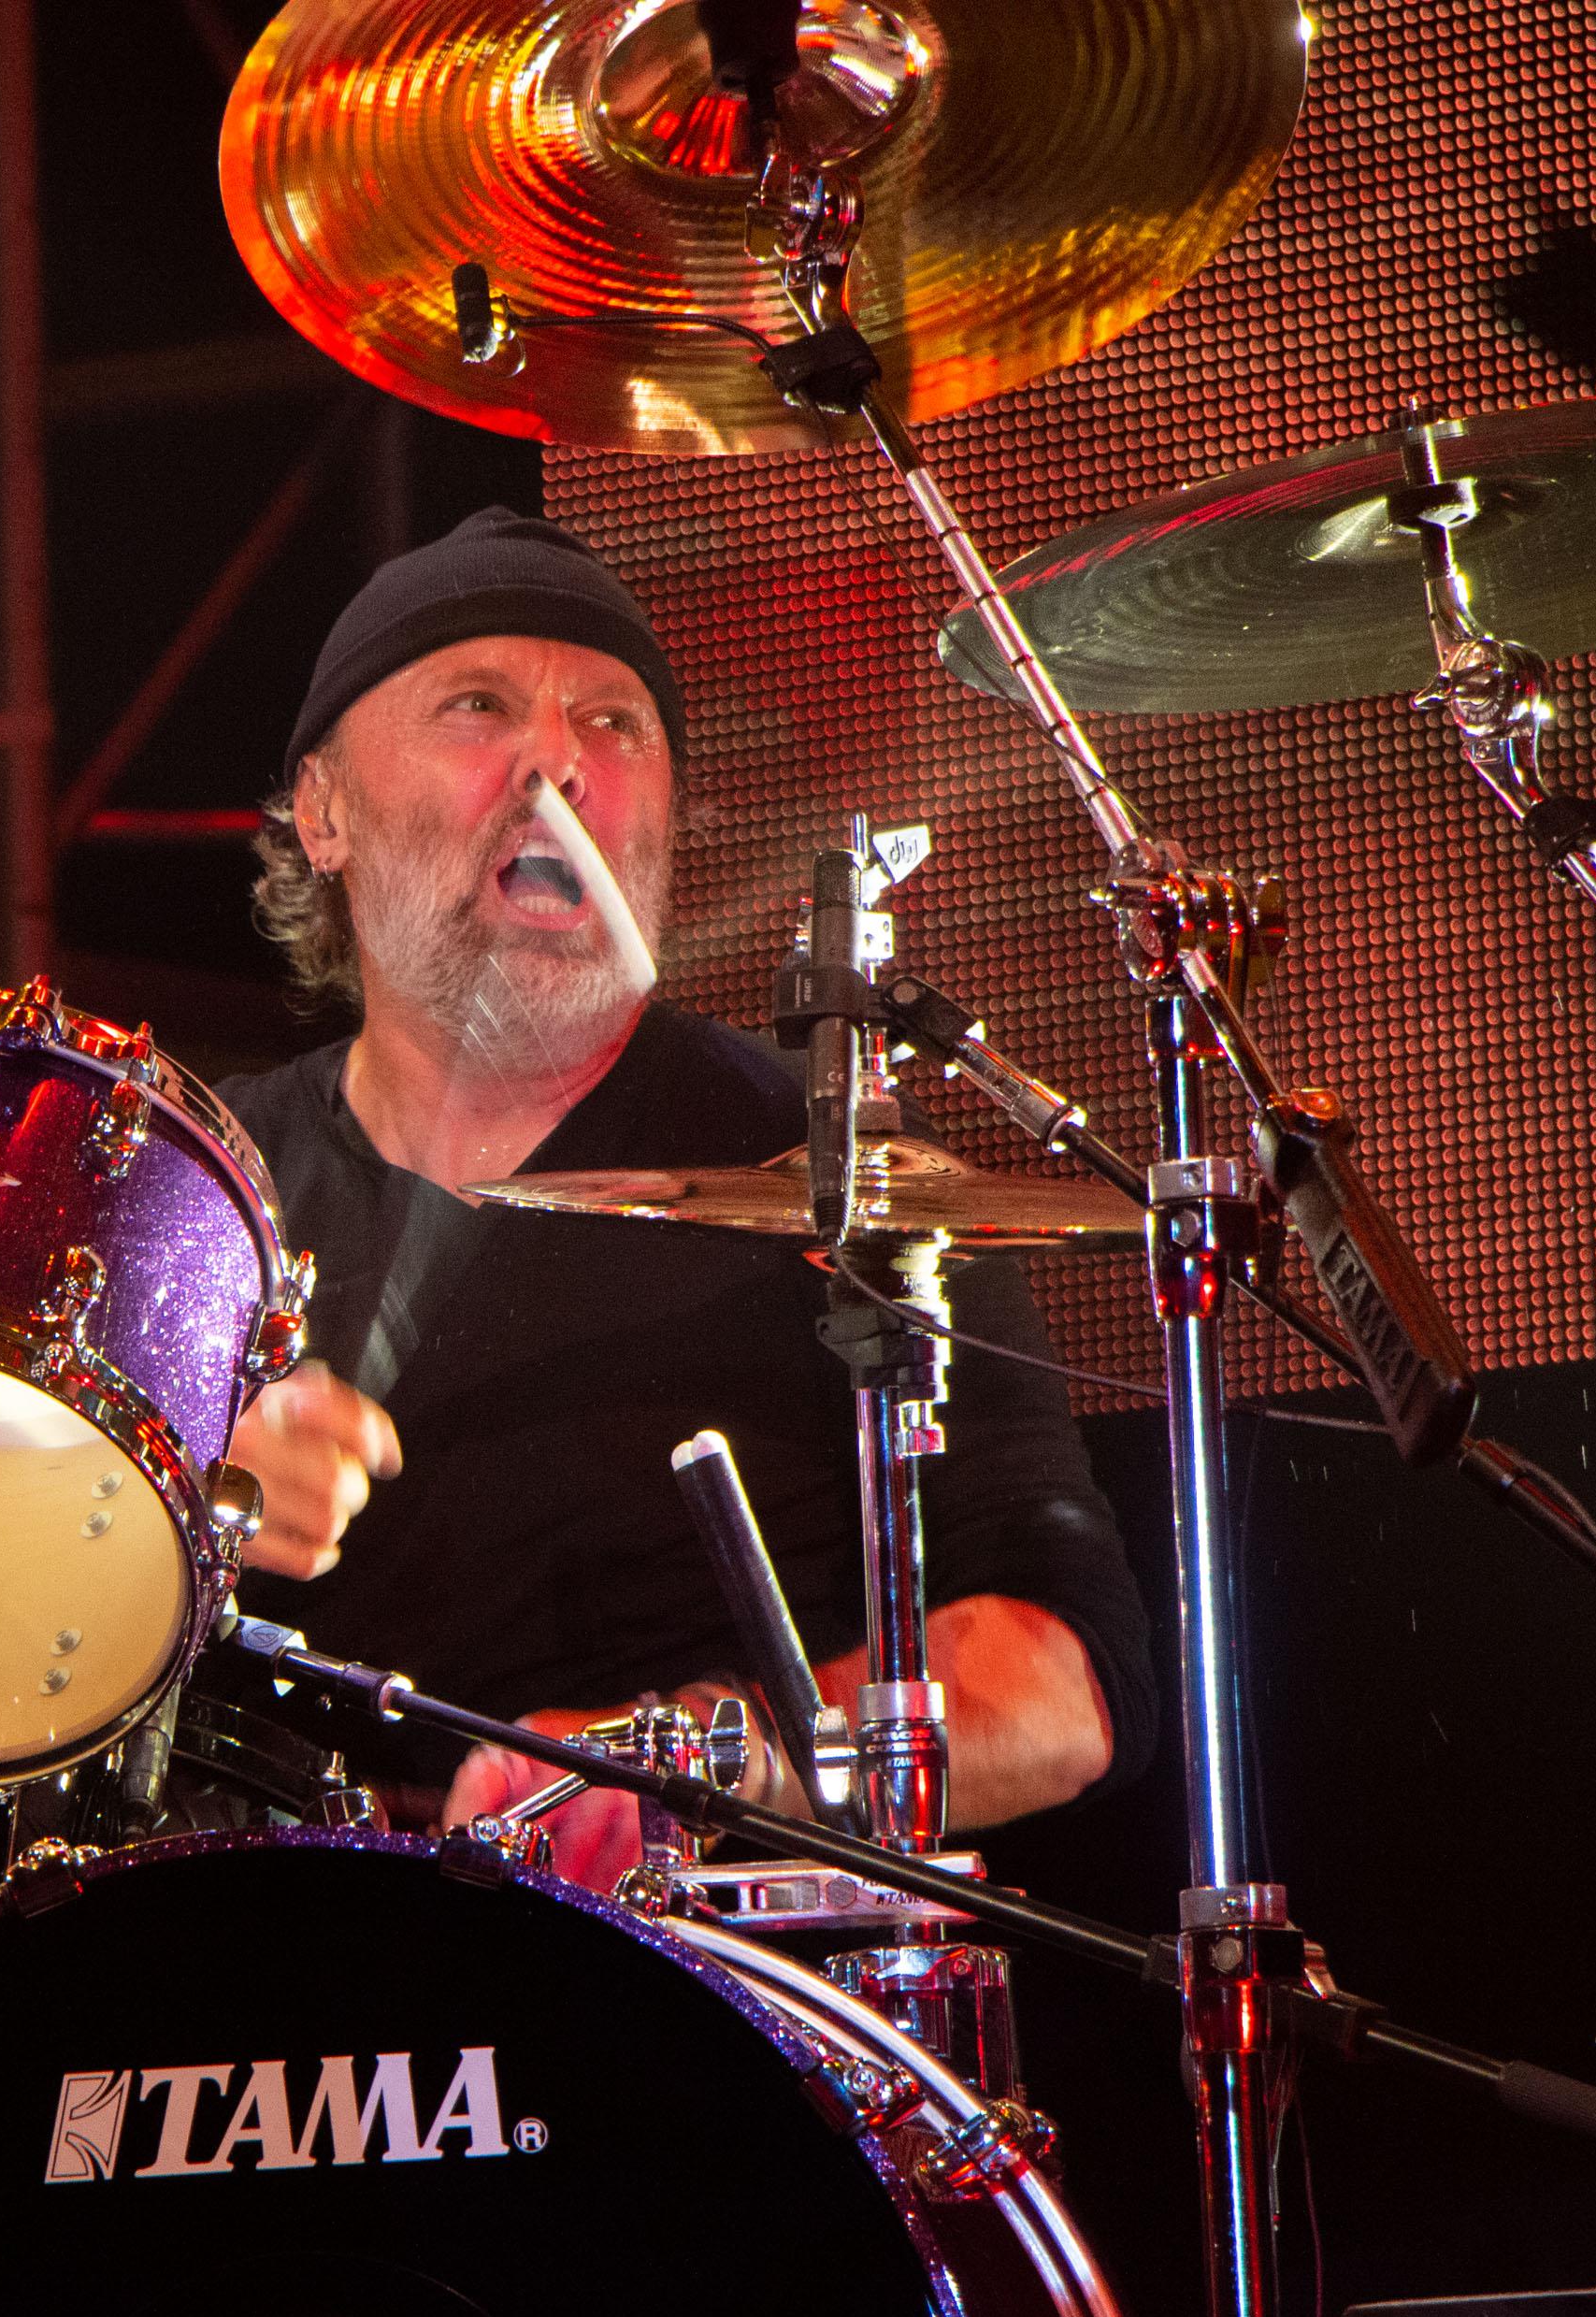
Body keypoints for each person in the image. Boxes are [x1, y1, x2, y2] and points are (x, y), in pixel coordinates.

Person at [215, 507, 1153, 1888]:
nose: (558, 763)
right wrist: (175, 1493)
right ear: (323, 810)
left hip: (692, 1966)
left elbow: (1069, 1685)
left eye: (615, 724)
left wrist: (709, 1760)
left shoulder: (836, 1171)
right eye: (479, 706)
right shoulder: (203, 1187)